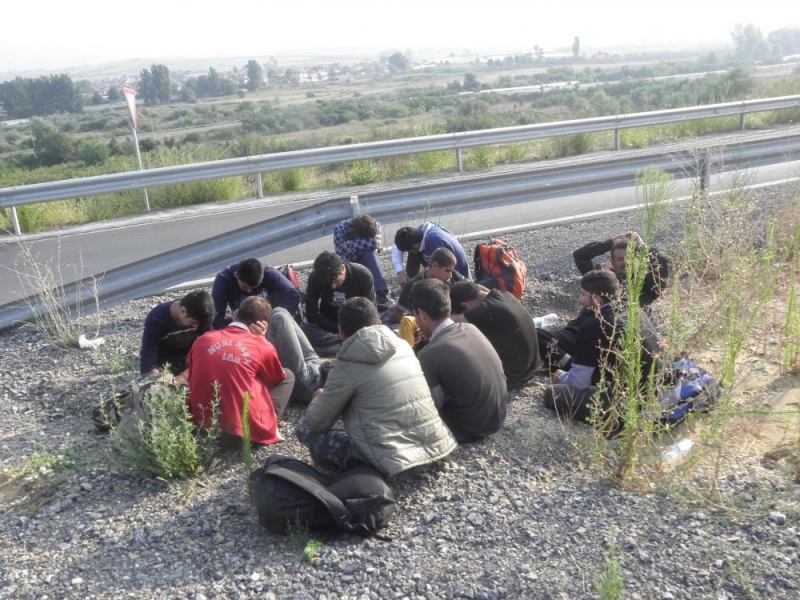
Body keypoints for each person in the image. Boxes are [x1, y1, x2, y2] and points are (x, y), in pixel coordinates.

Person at [295, 297, 457, 478]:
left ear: (341, 332)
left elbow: (317, 422)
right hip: (436, 445)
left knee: (305, 427)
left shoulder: (345, 364)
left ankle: (340, 470)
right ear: (379, 322)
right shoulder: (404, 346)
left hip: (390, 463)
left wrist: (316, 400)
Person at [409, 279, 508, 443]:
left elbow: (434, 404)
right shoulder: (470, 327)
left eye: (415, 316)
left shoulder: (428, 354)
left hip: (471, 428)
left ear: (422, 314)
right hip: (499, 415)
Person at [187, 296, 295, 445]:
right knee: (288, 376)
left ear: (235, 314)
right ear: (264, 324)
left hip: (203, 423)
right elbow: (276, 378)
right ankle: (269, 419)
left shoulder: (203, 340)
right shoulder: (262, 346)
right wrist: (263, 341)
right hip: (244, 432)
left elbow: (192, 376)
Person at [542, 271, 619, 425]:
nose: (579, 299)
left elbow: (578, 384)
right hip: (653, 389)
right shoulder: (634, 310)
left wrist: (562, 376)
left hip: (630, 402)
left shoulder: (593, 327)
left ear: (597, 299)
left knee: (553, 394)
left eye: (583, 294)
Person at [450, 281, 541, 391]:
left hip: (512, 378)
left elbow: (447, 321)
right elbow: (478, 286)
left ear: (465, 306)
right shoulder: (505, 295)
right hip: (532, 368)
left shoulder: (484, 310)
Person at [303, 251, 375, 353]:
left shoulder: (362, 275)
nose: (333, 287)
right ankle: (348, 344)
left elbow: (370, 313)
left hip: (355, 325)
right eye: (328, 284)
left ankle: (342, 345)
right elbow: (311, 315)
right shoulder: (315, 277)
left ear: (343, 268)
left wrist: (350, 331)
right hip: (328, 324)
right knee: (303, 331)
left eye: (336, 281)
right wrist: (339, 330)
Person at [572, 231, 669, 307]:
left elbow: (661, 263)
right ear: (613, 263)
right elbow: (579, 255)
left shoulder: (645, 285)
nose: (625, 262)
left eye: (629, 258)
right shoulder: (602, 280)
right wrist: (609, 243)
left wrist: (642, 247)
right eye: (620, 259)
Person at [139, 290, 215, 386]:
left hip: (188, 361)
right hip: (163, 363)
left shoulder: (200, 318)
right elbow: (147, 365)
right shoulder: (157, 318)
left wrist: (184, 376)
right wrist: (161, 379)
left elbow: (211, 350)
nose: (196, 327)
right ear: (182, 311)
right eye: (193, 323)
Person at [211, 258, 300, 330]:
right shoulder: (223, 280)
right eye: (245, 287)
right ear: (236, 275)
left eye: (254, 288)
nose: (249, 291)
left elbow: (292, 293)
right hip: (244, 320)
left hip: (269, 316)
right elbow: (216, 316)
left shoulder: (267, 271)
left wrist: (274, 321)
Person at [266, 307, 328, 404]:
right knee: (280, 310)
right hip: (320, 366)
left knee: (279, 319)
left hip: (309, 382)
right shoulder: (352, 349)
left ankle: (274, 380)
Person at [333, 214, 390, 309]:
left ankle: (381, 293)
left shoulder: (376, 225)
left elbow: (375, 242)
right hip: (349, 259)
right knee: (345, 267)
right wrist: (365, 244)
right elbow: (340, 253)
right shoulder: (341, 228)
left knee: (370, 254)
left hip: (366, 256)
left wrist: (348, 245)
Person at [392, 221, 471, 284]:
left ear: (415, 246)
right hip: (444, 269)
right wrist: (400, 272)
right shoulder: (422, 231)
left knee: (415, 253)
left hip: (456, 279)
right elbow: (396, 247)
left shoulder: (434, 241)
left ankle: (412, 285)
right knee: (414, 253)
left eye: (410, 250)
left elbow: (440, 272)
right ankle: (410, 282)